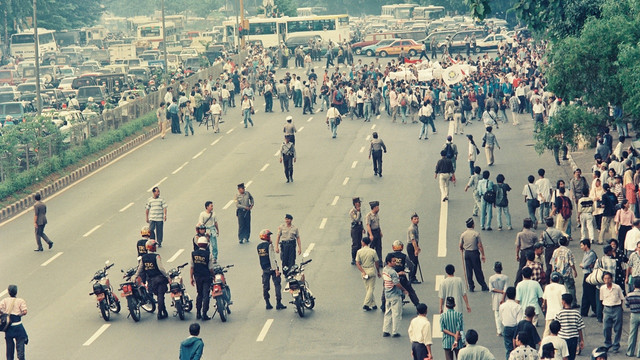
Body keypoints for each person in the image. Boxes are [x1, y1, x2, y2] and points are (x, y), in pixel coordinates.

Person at [134, 240, 170, 319]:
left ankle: (164, 311)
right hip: (159, 279)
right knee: (161, 296)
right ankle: (160, 312)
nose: (156, 247)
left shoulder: (143, 258)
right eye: (155, 246)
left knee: (159, 296)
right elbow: (161, 269)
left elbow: (140, 269)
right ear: (152, 247)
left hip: (151, 281)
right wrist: (167, 276)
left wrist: (134, 277)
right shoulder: (156, 256)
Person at [381, 240, 420, 308]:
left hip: (389, 277)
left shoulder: (389, 256)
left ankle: (383, 305)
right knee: (410, 291)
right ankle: (417, 304)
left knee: (385, 289)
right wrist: (410, 275)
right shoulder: (404, 256)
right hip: (401, 277)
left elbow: (385, 266)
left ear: (393, 247)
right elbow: (411, 266)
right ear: (402, 247)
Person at [257, 229, 286, 310]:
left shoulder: (259, 247)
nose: (270, 237)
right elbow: (272, 258)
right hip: (272, 268)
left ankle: (267, 303)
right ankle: (278, 303)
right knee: (277, 285)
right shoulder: (269, 246)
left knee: (265, 287)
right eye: (269, 236)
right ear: (266, 237)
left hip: (264, 269)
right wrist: (276, 269)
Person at [382, 253, 408, 338]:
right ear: (388, 262)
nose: (395, 263)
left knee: (388, 313)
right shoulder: (392, 272)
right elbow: (396, 283)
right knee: (396, 313)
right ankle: (395, 331)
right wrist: (403, 289)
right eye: (393, 261)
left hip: (387, 294)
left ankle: (386, 330)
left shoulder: (385, 269)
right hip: (395, 295)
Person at [460, 218, 489, 292]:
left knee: (468, 270)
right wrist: (483, 255)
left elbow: (460, 245)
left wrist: (462, 249)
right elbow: (479, 245)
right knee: (478, 270)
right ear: (472, 225)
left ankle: (471, 286)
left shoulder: (463, 234)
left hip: (467, 253)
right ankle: (483, 285)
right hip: (474, 253)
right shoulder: (476, 234)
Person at [0, 285, 28, 360]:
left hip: (9, 328)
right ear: (16, 292)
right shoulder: (20, 301)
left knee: (9, 348)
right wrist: (19, 314)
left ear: (8, 292)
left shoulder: (5, 300)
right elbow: (25, 312)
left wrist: (3, 314)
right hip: (18, 327)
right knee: (20, 347)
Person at [190, 237, 214, 320]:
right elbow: (210, 268)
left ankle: (198, 313)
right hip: (206, 277)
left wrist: (191, 278)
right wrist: (213, 276)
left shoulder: (193, 254)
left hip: (197, 277)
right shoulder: (208, 254)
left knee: (199, 294)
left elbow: (192, 267)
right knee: (206, 295)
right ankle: (204, 313)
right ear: (206, 245)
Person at [554, 294, 585, 360]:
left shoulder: (560, 313)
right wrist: (581, 340)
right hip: (573, 339)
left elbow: (556, 326)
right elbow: (579, 328)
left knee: (563, 356)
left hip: (562, 338)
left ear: (564, 302)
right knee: (571, 357)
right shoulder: (576, 313)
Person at [601, 271, 624, 353]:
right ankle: (607, 344)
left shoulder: (617, 287)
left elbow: (621, 298)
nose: (607, 280)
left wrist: (620, 309)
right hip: (607, 309)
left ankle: (616, 345)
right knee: (606, 328)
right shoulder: (602, 288)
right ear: (603, 280)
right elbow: (602, 299)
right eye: (605, 279)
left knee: (618, 328)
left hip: (617, 308)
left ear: (612, 279)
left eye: (609, 278)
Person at [356, 237, 380, 311]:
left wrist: (362, 271)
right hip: (371, 270)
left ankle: (372, 304)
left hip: (364, 270)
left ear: (363, 242)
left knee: (368, 288)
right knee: (371, 288)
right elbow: (376, 262)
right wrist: (378, 271)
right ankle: (369, 304)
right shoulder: (373, 251)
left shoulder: (359, 251)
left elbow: (357, 263)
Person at [500, 286, 523, 359]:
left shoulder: (502, 306)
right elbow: (520, 321)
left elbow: (501, 318)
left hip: (506, 328)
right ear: (515, 295)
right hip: (516, 328)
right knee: (517, 349)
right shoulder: (518, 306)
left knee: (508, 349)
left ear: (506, 295)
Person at [542, 273, 567, 337]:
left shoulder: (547, 287)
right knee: (561, 330)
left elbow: (544, 299)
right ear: (558, 279)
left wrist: (544, 307)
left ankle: (543, 344)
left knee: (547, 330)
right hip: (559, 311)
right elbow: (564, 298)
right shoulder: (562, 287)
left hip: (550, 312)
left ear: (551, 279)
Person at [515, 218, 538, 283]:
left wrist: (517, 254)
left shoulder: (520, 234)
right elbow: (536, 244)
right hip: (531, 251)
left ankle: (517, 282)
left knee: (521, 267)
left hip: (523, 251)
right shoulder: (533, 234)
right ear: (531, 225)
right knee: (532, 265)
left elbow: (518, 245)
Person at [490, 261, 509, 336]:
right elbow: (506, 289)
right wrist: (503, 298)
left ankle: (499, 330)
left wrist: (499, 291)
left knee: (497, 314)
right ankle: (505, 328)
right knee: (505, 314)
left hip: (495, 297)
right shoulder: (505, 277)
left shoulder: (491, 278)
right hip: (503, 297)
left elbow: (491, 288)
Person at [580, 239, 598, 317]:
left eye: (582, 245)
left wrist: (583, 265)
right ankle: (584, 311)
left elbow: (584, 265)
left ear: (586, 245)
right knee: (586, 293)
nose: (581, 247)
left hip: (590, 274)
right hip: (586, 274)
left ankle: (596, 310)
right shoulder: (586, 254)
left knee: (590, 293)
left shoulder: (591, 254)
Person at [366, 201, 383, 266]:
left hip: (377, 232)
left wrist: (380, 231)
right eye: (377, 207)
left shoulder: (376, 214)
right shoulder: (369, 216)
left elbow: (378, 224)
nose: (378, 209)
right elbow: (368, 225)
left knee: (379, 247)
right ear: (374, 208)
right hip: (372, 232)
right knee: (372, 247)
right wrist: (370, 235)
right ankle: (371, 262)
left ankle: (380, 262)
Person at [626, 278, 640, 356]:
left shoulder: (629, 295)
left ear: (634, 285)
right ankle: (639, 353)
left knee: (632, 333)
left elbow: (627, 305)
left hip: (634, 314)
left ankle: (630, 352)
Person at [349, 197, 365, 265]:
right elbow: (356, 219)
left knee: (359, 243)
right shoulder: (352, 211)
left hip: (359, 228)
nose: (360, 204)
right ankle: (353, 258)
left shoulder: (359, 210)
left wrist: (362, 228)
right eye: (358, 203)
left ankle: (358, 258)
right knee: (355, 244)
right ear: (355, 204)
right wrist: (358, 211)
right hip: (355, 229)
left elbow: (361, 220)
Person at [407, 213, 422, 284]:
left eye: (417, 218)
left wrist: (417, 247)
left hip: (414, 245)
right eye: (415, 219)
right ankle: (412, 278)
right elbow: (413, 240)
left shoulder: (416, 226)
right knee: (413, 262)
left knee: (415, 261)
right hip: (411, 246)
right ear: (411, 220)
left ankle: (413, 276)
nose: (417, 220)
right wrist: (416, 249)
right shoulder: (412, 228)